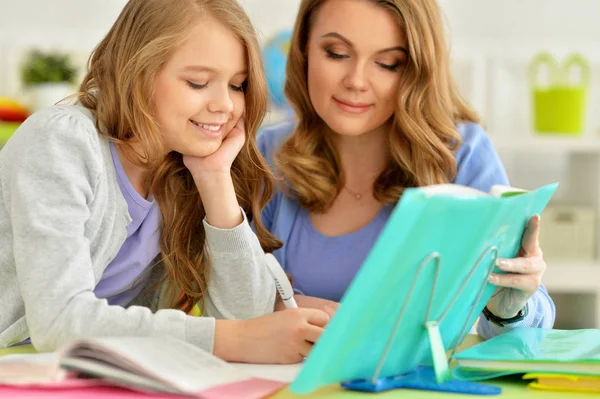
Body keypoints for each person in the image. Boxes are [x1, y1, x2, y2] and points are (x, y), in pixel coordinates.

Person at [0, 0, 329, 364]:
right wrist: (228, 338)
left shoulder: (180, 170)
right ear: (137, 71)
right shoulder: (61, 142)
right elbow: (58, 320)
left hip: (72, 373)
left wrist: (214, 178)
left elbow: (247, 318)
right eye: (198, 82)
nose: (225, 105)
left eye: (238, 85)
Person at [259, 0, 555, 339]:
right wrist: (275, 308)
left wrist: (510, 310)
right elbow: (229, 302)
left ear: (415, 70)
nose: (356, 81)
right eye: (337, 53)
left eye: (387, 63)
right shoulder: (267, 154)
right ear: (304, 51)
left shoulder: (462, 154)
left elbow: (531, 322)